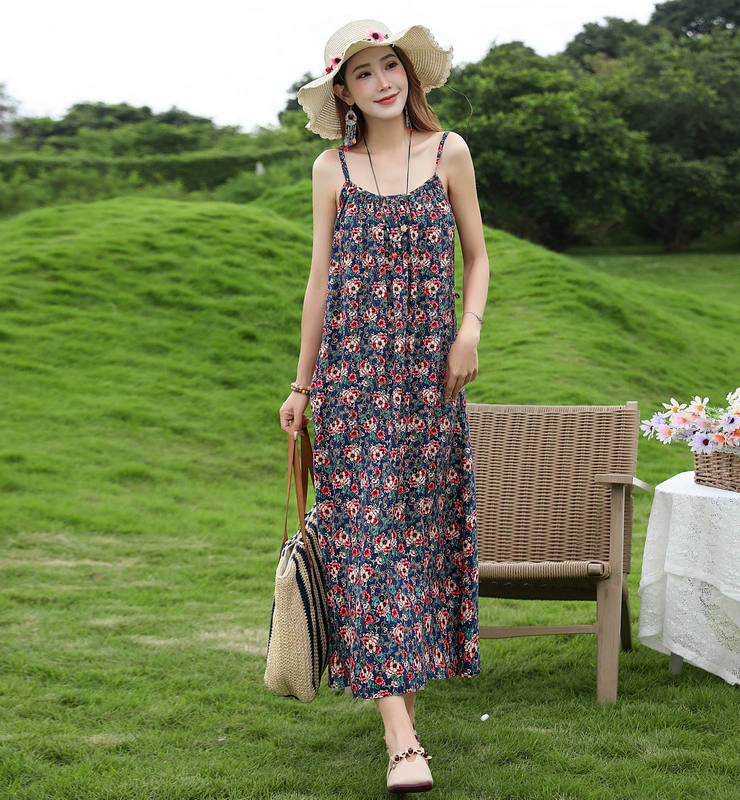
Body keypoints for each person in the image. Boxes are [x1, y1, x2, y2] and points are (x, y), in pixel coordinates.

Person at [279, 19, 489, 794]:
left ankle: (407, 711)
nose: (382, 82)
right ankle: (401, 740)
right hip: (353, 388)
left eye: (389, 66)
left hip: (431, 387)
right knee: (366, 546)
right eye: (363, 73)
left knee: (415, 545)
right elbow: (320, 282)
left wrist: (469, 330)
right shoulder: (330, 168)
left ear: (409, 74)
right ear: (344, 92)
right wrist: (303, 385)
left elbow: (478, 256)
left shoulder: (450, 152)